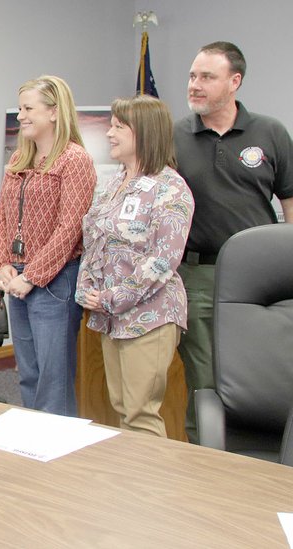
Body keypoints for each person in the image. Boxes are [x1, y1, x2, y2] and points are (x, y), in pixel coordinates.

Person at [174, 41, 293, 442]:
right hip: (200, 273)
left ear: (234, 81)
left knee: (264, 370)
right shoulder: (175, 136)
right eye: (193, 76)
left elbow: (290, 199)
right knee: (203, 377)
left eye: (207, 77)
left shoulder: (270, 132)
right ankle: (204, 461)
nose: (195, 85)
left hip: (265, 283)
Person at [76, 95, 194, 437]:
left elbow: (163, 260)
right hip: (111, 316)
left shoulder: (171, 189)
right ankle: (130, 487)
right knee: (122, 409)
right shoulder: (115, 182)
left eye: (118, 127)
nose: (109, 133)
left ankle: (151, 489)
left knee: (141, 414)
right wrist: (87, 288)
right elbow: (94, 239)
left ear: (144, 132)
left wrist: (113, 296)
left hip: (150, 316)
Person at [0, 75, 96, 416]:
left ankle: (59, 458)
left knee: (54, 379)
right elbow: (1, 216)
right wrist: (4, 265)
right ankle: (33, 443)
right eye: (20, 108)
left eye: (28, 108)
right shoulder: (20, 158)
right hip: (18, 277)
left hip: (54, 280)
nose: (20, 115)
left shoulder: (74, 160)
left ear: (54, 112)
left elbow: (70, 228)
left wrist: (32, 276)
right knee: (28, 373)